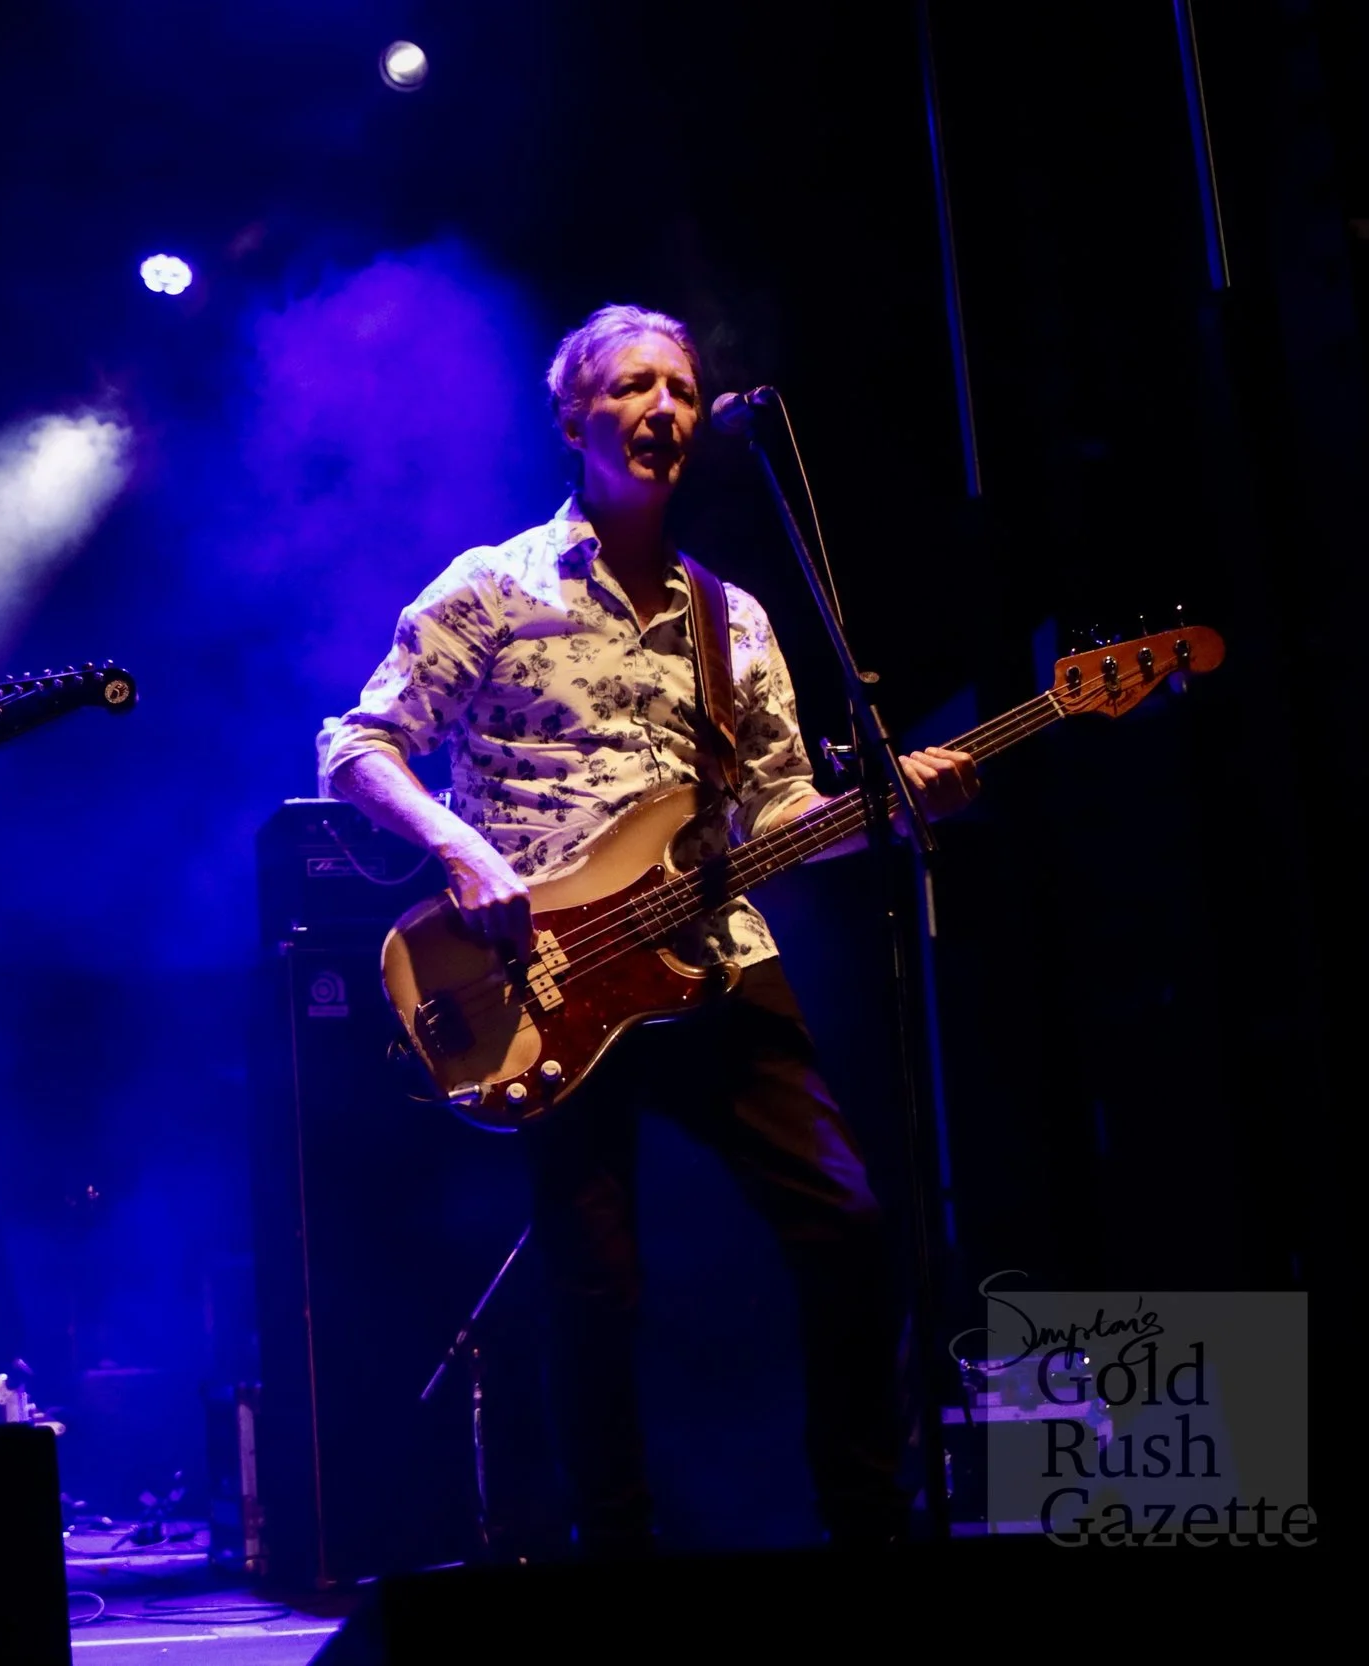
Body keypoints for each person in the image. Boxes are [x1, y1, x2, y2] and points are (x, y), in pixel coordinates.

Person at [320, 304, 979, 1551]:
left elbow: (784, 811)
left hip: (715, 960)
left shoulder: (735, 621)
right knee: (596, 1281)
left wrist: (893, 805)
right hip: (547, 977)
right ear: (575, 418)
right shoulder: (492, 584)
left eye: (678, 390)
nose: (663, 411)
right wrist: (459, 849)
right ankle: (613, 1548)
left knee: (845, 1222)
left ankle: (865, 1519)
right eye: (631, 388)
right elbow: (356, 742)